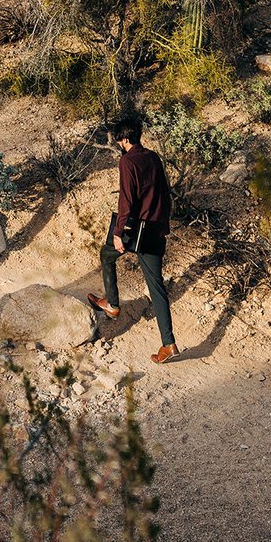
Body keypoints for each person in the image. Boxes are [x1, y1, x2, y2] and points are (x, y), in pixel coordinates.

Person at [88, 113, 179, 365]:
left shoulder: (127, 162)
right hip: (156, 230)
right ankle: (168, 343)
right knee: (157, 287)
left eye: (119, 139)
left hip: (135, 230)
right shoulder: (153, 157)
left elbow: (126, 200)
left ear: (125, 138)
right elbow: (164, 193)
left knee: (107, 255)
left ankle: (113, 304)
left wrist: (118, 232)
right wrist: (164, 225)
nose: (119, 143)